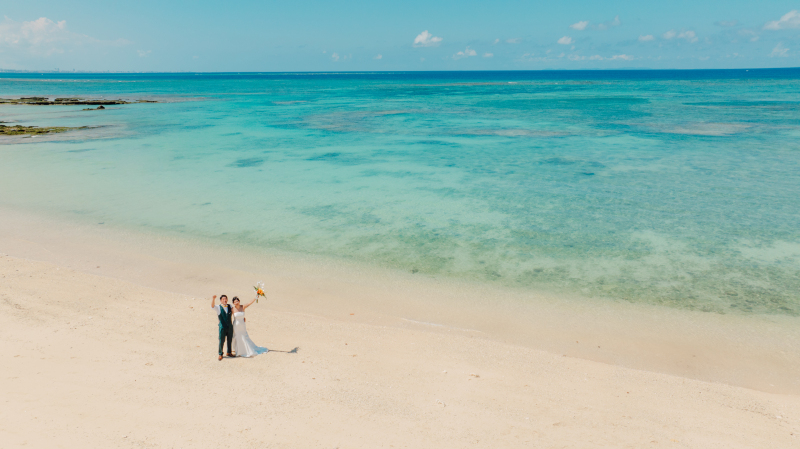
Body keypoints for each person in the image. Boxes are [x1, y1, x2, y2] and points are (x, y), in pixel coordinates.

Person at [211, 294, 234, 361]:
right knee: (221, 340)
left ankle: (229, 352)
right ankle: (220, 354)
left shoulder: (230, 306)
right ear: (221, 300)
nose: (225, 300)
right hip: (222, 327)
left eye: (225, 299)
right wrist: (213, 299)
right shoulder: (218, 307)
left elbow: (235, 311)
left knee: (230, 340)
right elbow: (212, 306)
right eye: (223, 299)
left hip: (229, 326)